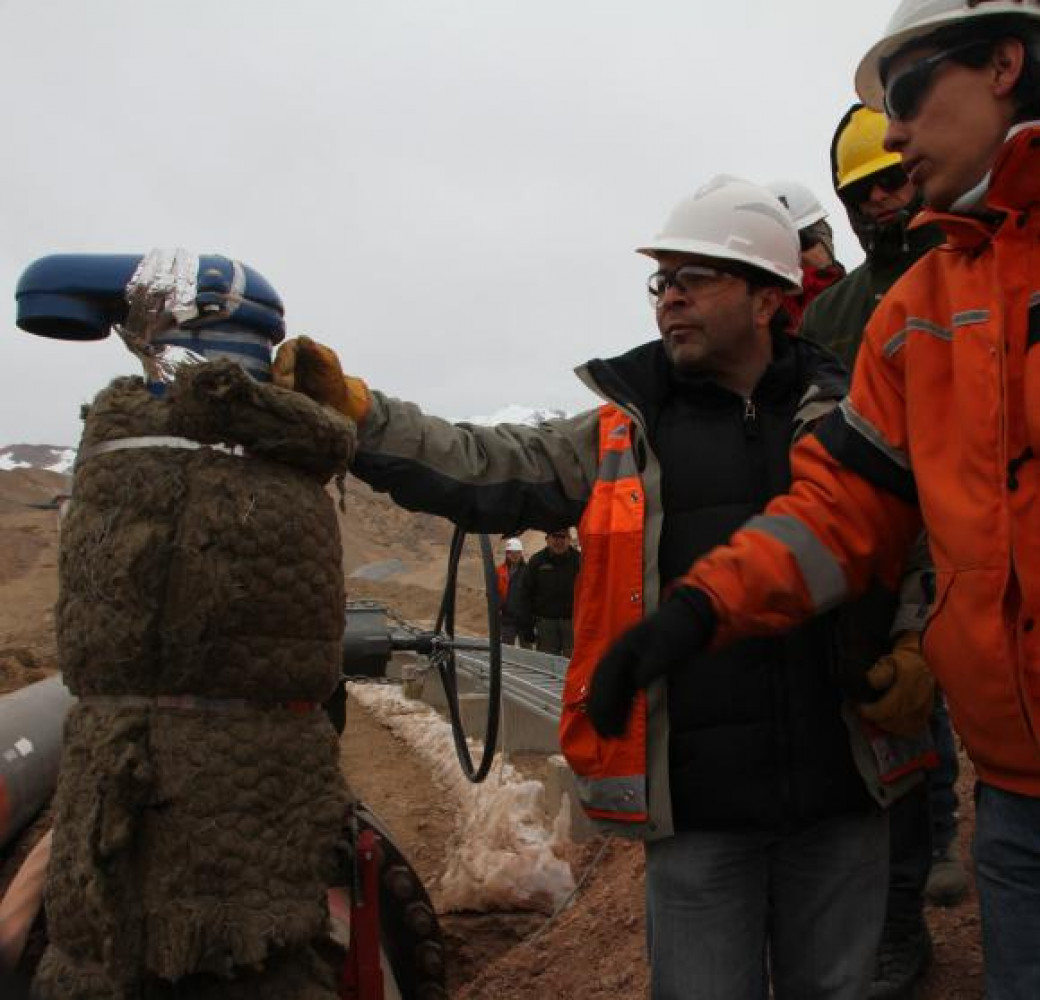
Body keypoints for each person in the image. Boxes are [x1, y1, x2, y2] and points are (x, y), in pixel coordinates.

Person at [269, 175, 931, 998]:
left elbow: (916, 543)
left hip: (842, 783)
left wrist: (915, 643)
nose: (670, 299)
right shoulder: (624, 427)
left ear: (768, 298)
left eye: (696, 278)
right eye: (663, 282)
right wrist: (363, 418)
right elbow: (485, 463)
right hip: (696, 804)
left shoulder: (848, 412)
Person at [586, 5, 1040, 997]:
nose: (896, 132)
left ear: (1004, 62)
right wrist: (697, 609)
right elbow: (844, 509)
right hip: (1015, 796)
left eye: (907, 95)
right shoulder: (914, 315)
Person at [800, 103, 965, 1000]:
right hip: (894, 540)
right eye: (862, 192)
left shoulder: (981, 265)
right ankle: (901, 917)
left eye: (892, 180)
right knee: (893, 716)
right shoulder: (835, 310)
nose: (883, 202)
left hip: (987, 526)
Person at [767, 180, 846, 328]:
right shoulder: (765, 323)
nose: (800, 256)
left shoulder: (858, 294)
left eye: (804, 239)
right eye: (786, 246)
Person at [513, 530, 580, 656]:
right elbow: (525, 594)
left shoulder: (579, 561)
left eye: (562, 537)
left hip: (573, 624)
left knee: (573, 665)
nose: (559, 541)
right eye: (555, 537)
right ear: (547, 539)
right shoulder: (537, 561)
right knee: (547, 665)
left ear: (569, 539)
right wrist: (526, 625)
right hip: (545, 625)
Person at [496, 537, 532, 647]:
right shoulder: (499, 571)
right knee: (506, 650)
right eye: (512, 553)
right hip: (507, 618)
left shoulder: (528, 571)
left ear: (521, 553)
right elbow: (494, 592)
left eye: (517, 553)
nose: (515, 555)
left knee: (527, 651)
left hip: (524, 618)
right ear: (507, 553)